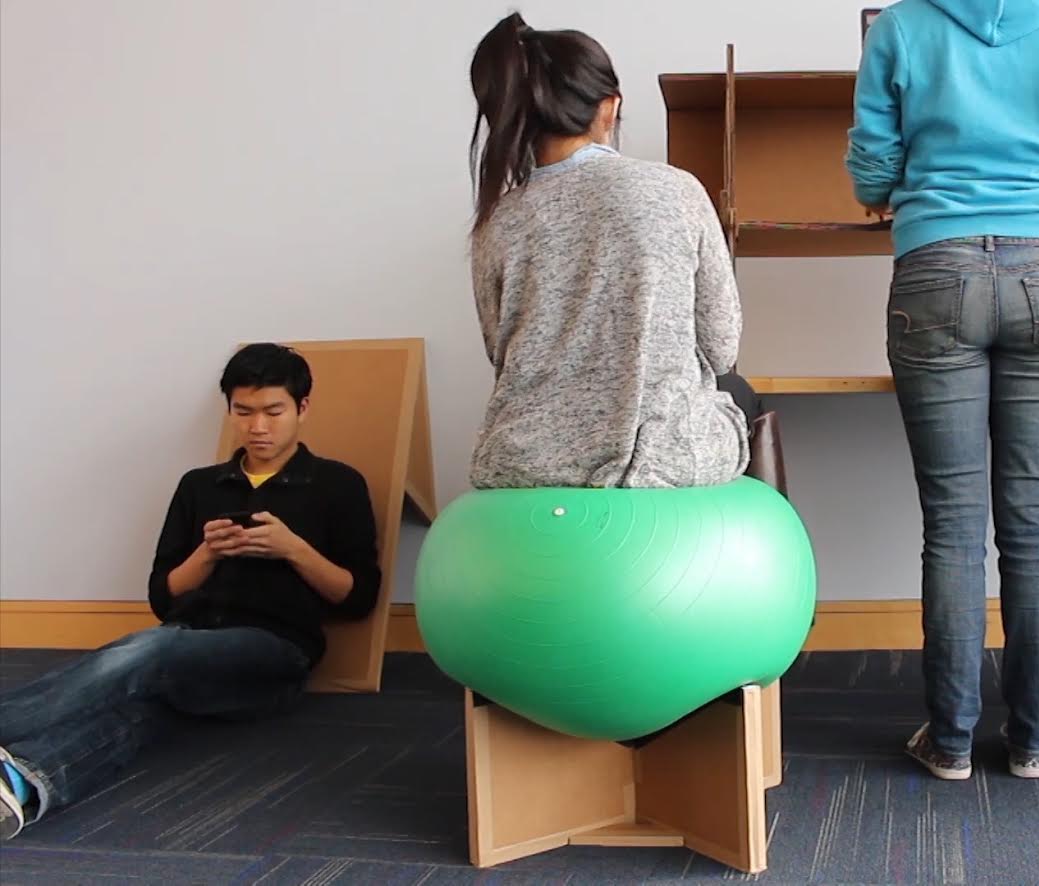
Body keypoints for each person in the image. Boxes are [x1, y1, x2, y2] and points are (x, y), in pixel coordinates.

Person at [847, 0, 1039, 780]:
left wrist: (904, 190)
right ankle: (1035, 741)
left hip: (933, 269)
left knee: (953, 525)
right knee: (1034, 526)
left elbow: (871, 168)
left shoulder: (900, 28)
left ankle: (951, 742)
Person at [0, 344, 382, 839]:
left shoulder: (338, 484)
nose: (258, 427)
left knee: (153, 649)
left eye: (273, 412)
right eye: (243, 412)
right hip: (187, 641)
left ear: (302, 409)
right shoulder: (200, 486)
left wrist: (293, 549)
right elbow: (163, 597)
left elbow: (358, 599)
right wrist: (206, 554)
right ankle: (24, 784)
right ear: (230, 410)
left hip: (275, 655)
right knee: (143, 711)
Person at [465, 13, 765, 491]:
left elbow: (500, 351)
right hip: (653, 459)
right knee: (740, 392)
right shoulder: (674, 189)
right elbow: (720, 346)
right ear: (609, 108)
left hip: (520, 463)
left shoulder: (494, 222)